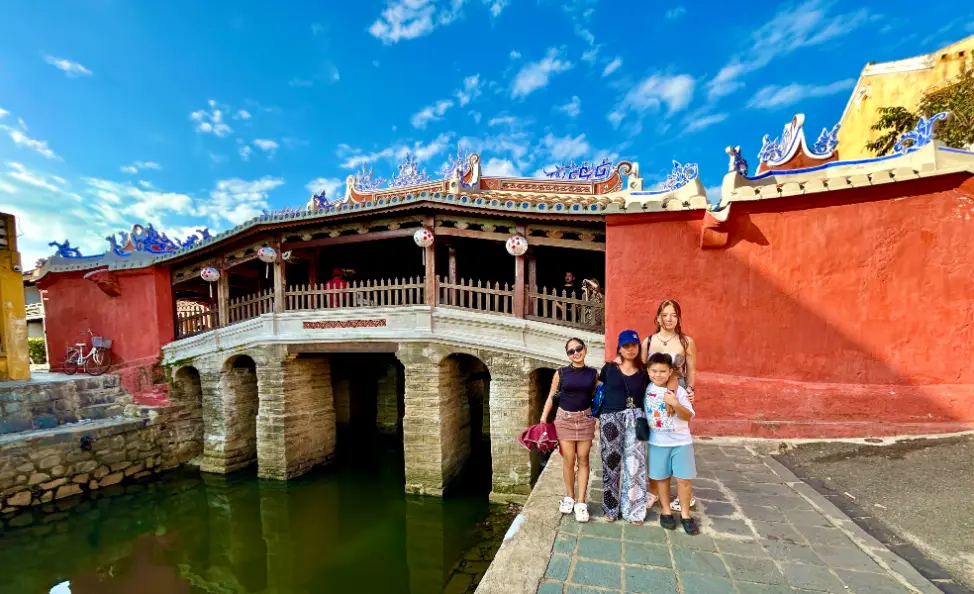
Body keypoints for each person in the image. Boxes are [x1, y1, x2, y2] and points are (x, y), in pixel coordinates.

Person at [642, 299, 697, 512]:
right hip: (655, 395)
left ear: (678, 318)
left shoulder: (686, 342)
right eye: (665, 314)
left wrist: (690, 390)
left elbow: (691, 370)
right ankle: (654, 491)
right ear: (658, 317)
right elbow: (642, 371)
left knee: (679, 439)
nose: (669, 319)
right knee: (655, 442)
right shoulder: (649, 341)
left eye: (673, 314)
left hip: (678, 393)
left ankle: (686, 492)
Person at [540, 337, 598, 523]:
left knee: (583, 459)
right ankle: (569, 496)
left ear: (585, 349)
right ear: (567, 355)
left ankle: (581, 502)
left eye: (578, 348)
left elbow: (595, 396)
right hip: (564, 419)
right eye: (571, 351)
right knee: (568, 459)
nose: (575, 353)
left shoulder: (592, 373)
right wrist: (543, 418)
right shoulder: (561, 373)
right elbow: (552, 396)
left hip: (585, 419)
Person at [597, 330, 649, 524]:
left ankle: (634, 510)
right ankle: (611, 508)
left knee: (634, 465)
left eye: (633, 346)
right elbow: (599, 391)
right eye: (625, 346)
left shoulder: (644, 372)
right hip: (610, 418)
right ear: (619, 347)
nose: (629, 349)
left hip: (635, 418)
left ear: (638, 348)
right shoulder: (609, 369)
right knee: (611, 464)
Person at [645, 352, 699, 535]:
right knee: (661, 478)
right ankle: (666, 511)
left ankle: (685, 514)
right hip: (657, 442)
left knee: (684, 480)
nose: (658, 375)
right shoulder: (647, 389)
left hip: (681, 442)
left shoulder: (680, 392)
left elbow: (688, 416)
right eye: (654, 371)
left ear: (670, 373)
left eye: (662, 371)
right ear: (648, 371)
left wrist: (675, 403)